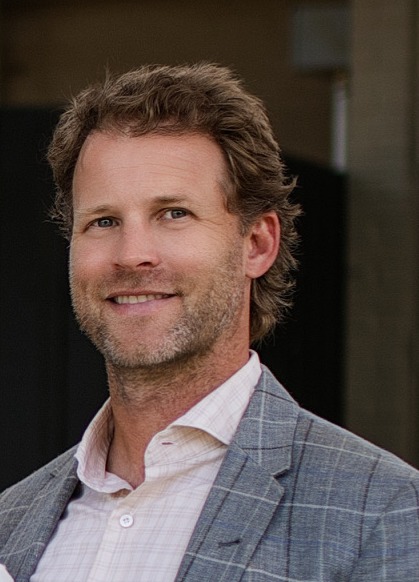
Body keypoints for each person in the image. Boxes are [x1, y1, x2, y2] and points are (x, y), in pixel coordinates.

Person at [0, 63, 418, 582]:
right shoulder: (11, 523)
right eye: (103, 221)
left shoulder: (381, 513)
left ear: (257, 244)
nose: (131, 254)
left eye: (174, 213)